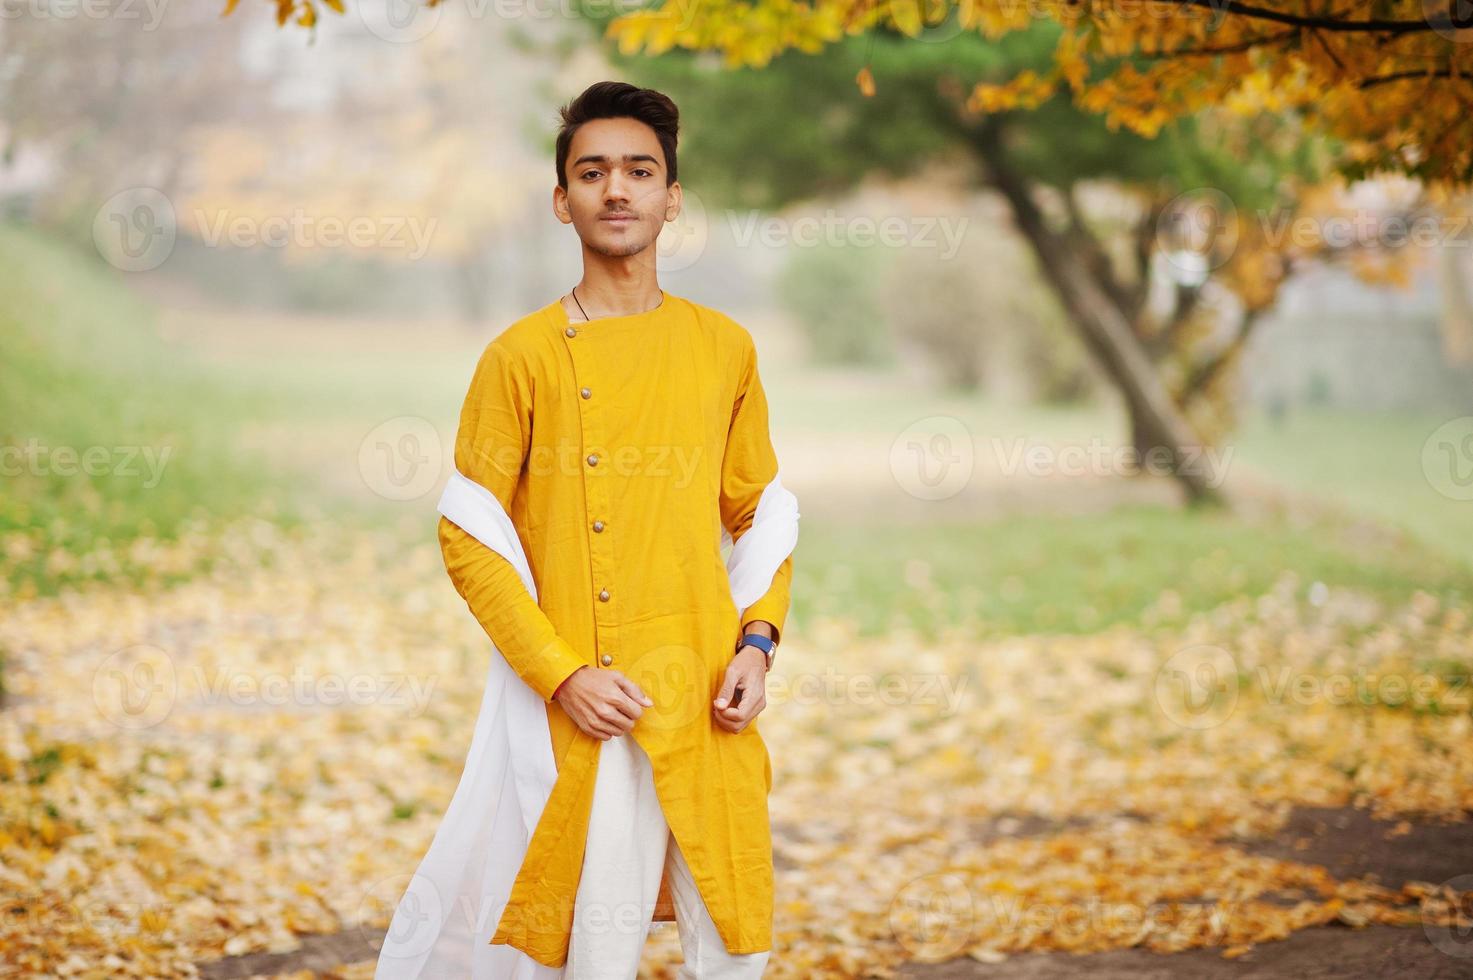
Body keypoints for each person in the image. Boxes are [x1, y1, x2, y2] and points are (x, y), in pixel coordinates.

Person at [376, 80, 799, 980]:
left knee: (733, 944)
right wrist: (562, 674)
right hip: (593, 706)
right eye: (593, 171)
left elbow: (760, 511)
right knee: (589, 953)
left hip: (706, 693)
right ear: (561, 199)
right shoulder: (520, 357)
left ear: (671, 197)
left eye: (640, 171)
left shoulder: (724, 347)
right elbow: (469, 535)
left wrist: (758, 644)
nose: (618, 190)